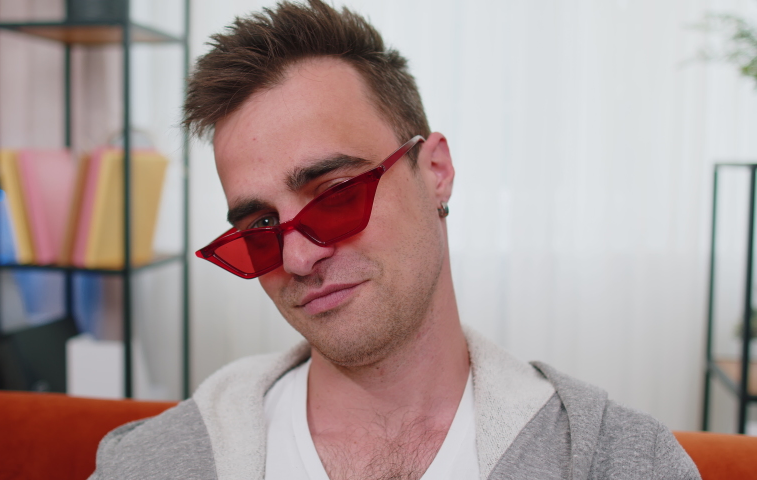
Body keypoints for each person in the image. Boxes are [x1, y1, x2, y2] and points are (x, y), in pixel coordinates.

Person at [90, 1, 700, 479]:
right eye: (261, 229)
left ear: (434, 171)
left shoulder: (619, 461)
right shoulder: (152, 464)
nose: (299, 257)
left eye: (335, 193)